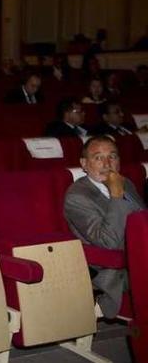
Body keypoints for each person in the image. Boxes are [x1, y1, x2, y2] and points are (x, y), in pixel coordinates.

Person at [64, 136, 146, 319]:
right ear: (84, 164)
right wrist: (117, 195)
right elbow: (107, 242)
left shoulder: (126, 183)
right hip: (116, 268)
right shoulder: (77, 197)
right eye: (98, 157)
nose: (107, 163)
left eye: (113, 156)